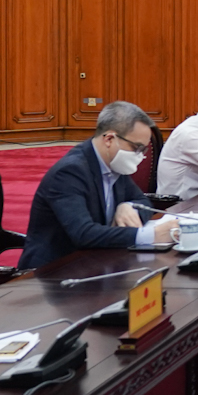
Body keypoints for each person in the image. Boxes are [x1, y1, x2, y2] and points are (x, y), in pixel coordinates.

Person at [20, 101, 180, 270]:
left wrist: (128, 206)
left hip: (95, 262)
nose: (140, 156)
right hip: (52, 271)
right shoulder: (69, 172)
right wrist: (151, 235)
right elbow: (84, 234)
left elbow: (143, 201)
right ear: (109, 139)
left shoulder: (114, 164)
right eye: (136, 148)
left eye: (143, 150)